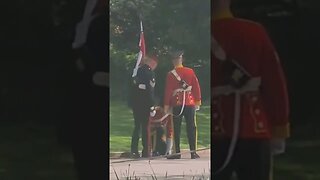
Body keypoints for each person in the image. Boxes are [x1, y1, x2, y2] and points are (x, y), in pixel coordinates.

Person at [212, 0, 290, 179]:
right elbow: (275, 84)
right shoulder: (254, 32)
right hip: (254, 126)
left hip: (216, 130)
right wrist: (279, 126)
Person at [163, 50, 202, 159]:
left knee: (176, 128)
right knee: (191, 127)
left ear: (173, 61)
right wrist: (197, 101)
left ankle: (177, 153)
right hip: (189, 102)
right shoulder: (190, 71)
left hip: (177, 103)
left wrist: (166, 105)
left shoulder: (171, 74)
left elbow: (168, 91)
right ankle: (193, 152)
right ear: (181, 60)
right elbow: (196, 86)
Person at [130, 56, 158, 158]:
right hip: (145, 105)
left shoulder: (137, 71)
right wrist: (152, 105)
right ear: (152, 62)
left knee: (137, 126)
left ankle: (134, 150)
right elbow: (149, 91)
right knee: (145, 128)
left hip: (136, 104)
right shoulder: (149, 73)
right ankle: (146, 151)